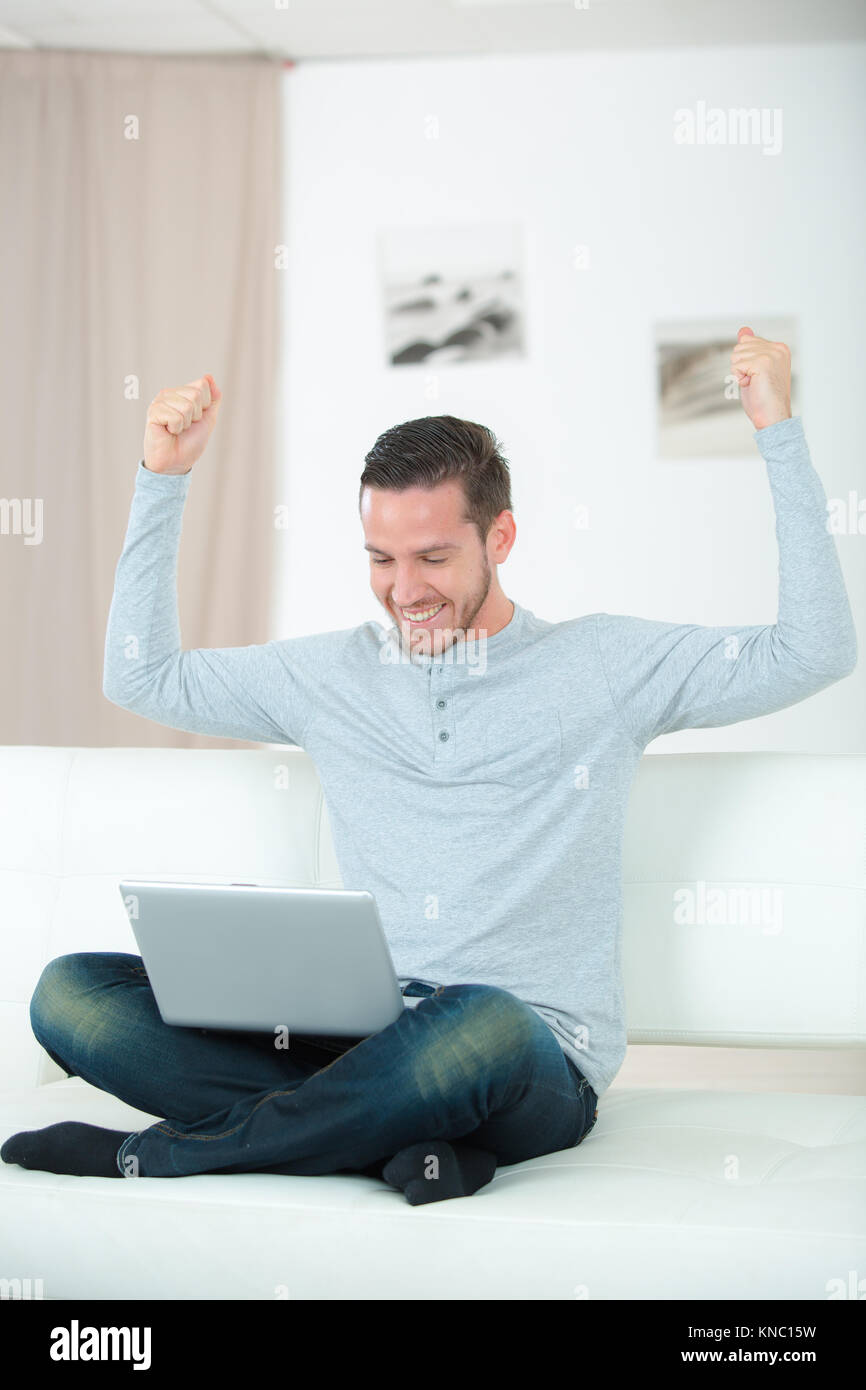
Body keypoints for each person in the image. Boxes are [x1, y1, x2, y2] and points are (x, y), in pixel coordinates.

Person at [2, 329, 856, 1203]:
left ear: (502, 535)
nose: (404, 590)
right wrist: (164, 479)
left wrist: (776, 430)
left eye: (434, 557)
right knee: (70, 996)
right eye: (380, 560)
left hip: (527, 1056)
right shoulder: (331, 675)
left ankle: (175, 1152)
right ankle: (409, 1139)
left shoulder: (604, 665)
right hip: (361, 1044)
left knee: (477, 1019)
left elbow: (815, 650)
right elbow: (139, 674)